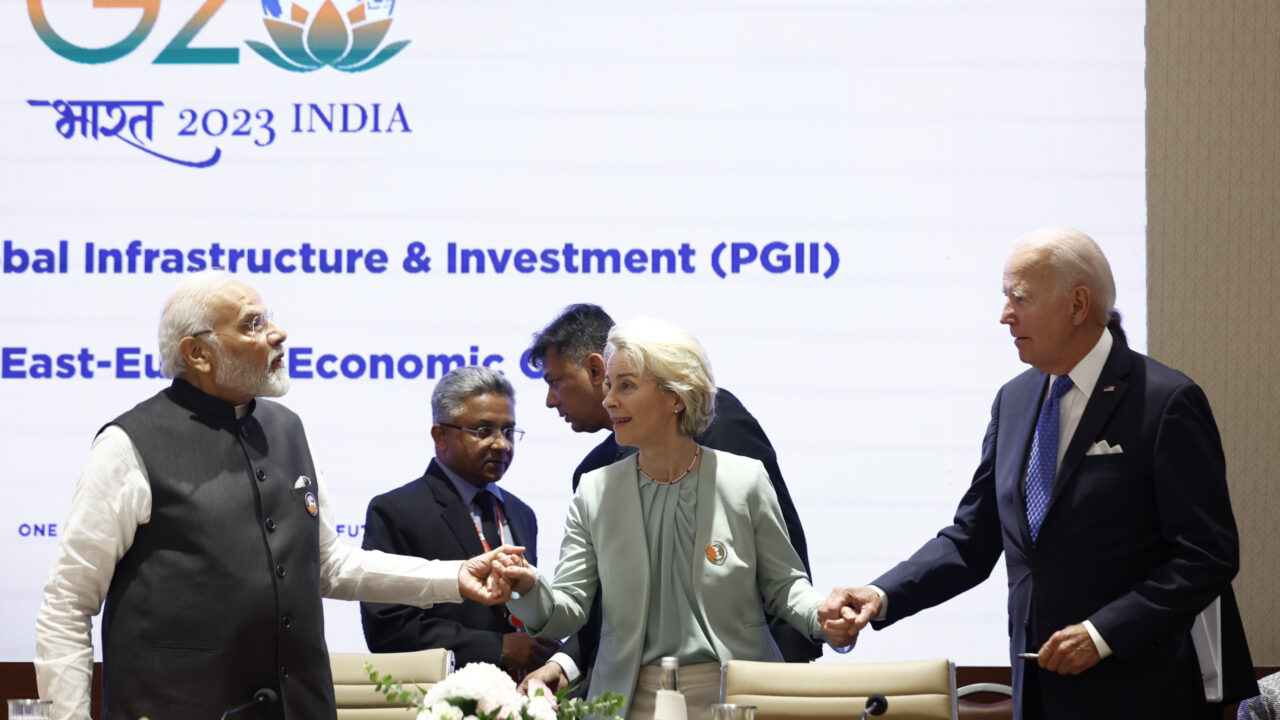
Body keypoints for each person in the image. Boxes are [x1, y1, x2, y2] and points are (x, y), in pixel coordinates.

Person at [34, 271, 521, 720]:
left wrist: (454, 576)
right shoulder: (128, 444)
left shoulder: (287, 429)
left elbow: (329, 565)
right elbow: (67, 604)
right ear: (198, 353)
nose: (277, 333)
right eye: (253, 324)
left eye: (269, 318)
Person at [818, 227, 1256, 720]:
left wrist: (1102, 634)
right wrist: (881, 594)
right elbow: (972, 538)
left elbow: (1206, 556)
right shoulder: (1015, 399)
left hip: (1139, 693)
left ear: (1077, 304)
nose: (1005, 315)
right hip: (1037, 691)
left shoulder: (1166, 402)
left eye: (1019, 298)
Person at [501, 317, 835, 720]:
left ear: (675, 395)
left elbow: (785, 587)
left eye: (625, 385)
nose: (609, 401)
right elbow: (571, 609)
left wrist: (825, 616)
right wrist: (528, 588)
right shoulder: (594, 490)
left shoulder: (745, 479)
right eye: (609, 386)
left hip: (738, 695)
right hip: (626, 700)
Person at [361, 366, 560, 674]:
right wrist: (497, 648)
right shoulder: (397, 511)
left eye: (508, 431)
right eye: (484, 431)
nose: (502, 444)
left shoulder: (522, 513)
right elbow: (388, 627)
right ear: (440, 435)